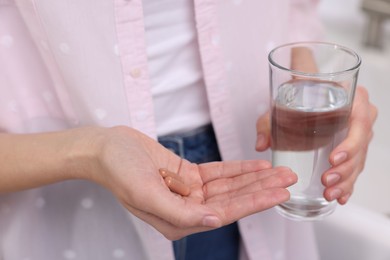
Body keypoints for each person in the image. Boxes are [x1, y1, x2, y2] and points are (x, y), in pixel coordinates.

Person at [0, 0, 377, 260]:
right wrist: (92, 151)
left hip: (248, 178)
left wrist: (307, 92)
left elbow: (291, 13)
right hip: (67, 202)